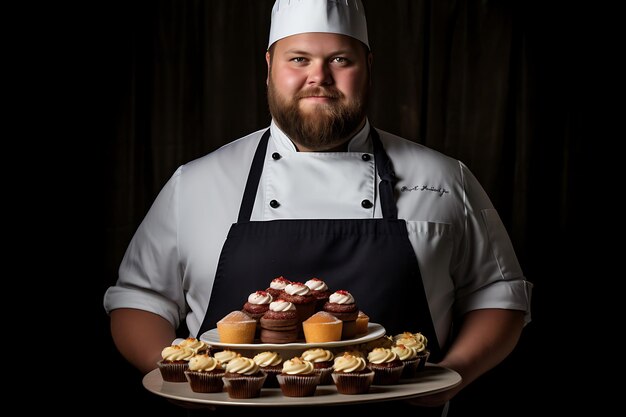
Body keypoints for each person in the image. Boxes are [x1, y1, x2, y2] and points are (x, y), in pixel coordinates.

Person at [104, 0, 532, 415]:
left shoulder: (444, 178)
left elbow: (498, 293)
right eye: (299, 59)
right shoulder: (196, 182)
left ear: (368, 66)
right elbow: (139, 298)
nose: (319, 77)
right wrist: (182, 375)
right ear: (269, 65)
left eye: (340, 59)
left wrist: (455, 373)